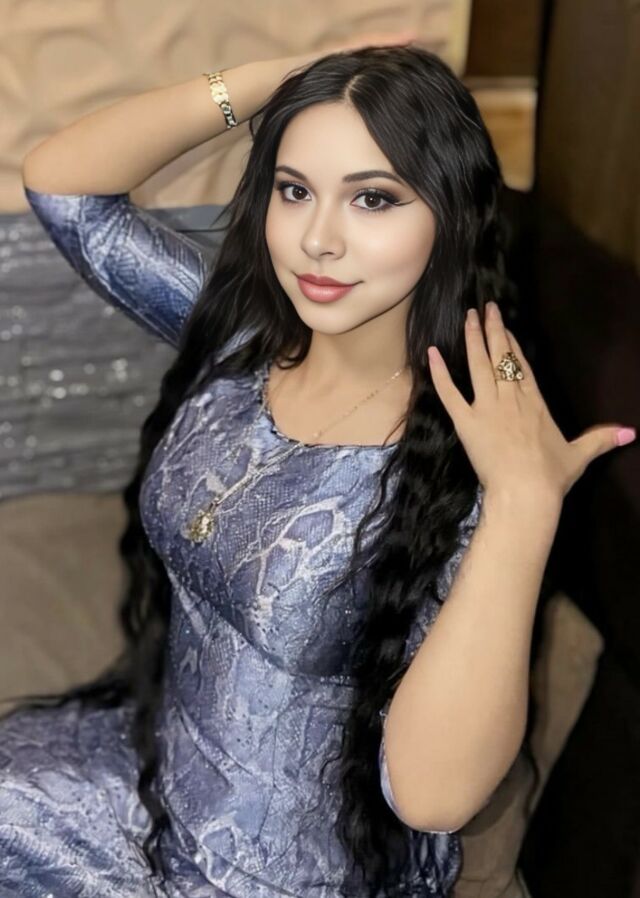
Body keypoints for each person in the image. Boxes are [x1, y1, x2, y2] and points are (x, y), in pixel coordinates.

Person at [1, 38, 635, 898]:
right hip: (154, 772)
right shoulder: (243, 341)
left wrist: (524, 503)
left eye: (373, 199)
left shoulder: (453, 462)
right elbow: (64, 189)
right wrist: (270, 80)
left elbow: (434, 797)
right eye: (294, 190)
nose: (317, 241)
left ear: (450, 215)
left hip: (288, 875)